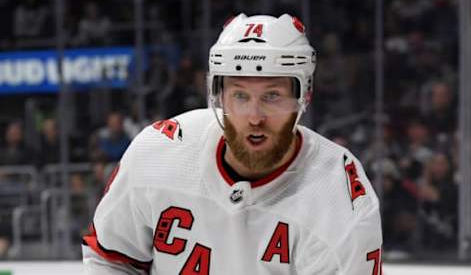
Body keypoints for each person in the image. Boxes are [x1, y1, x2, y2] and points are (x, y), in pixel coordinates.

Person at [82, 14, 383, 274]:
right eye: (240, 95)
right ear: (218, 96)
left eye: (272, 96)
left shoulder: (338, 200)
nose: (255, 117)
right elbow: (111, 259)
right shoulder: (159, 152)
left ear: (303, 97)